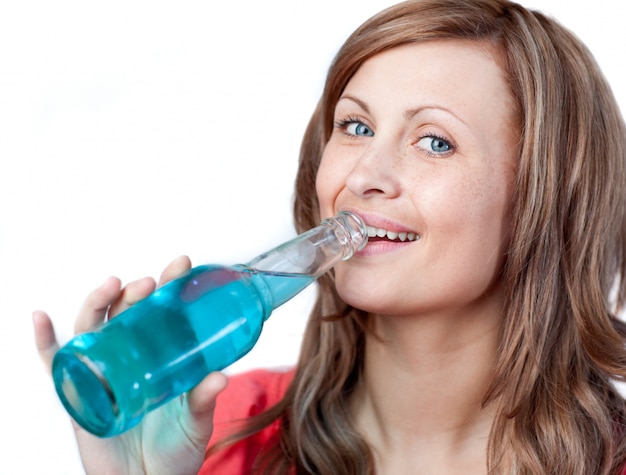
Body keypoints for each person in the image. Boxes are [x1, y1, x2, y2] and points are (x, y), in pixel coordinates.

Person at [33, 0, 626, 473]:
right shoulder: (228, 429)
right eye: (356, 126)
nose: (363, 175)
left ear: (546, 196)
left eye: (434, 141)